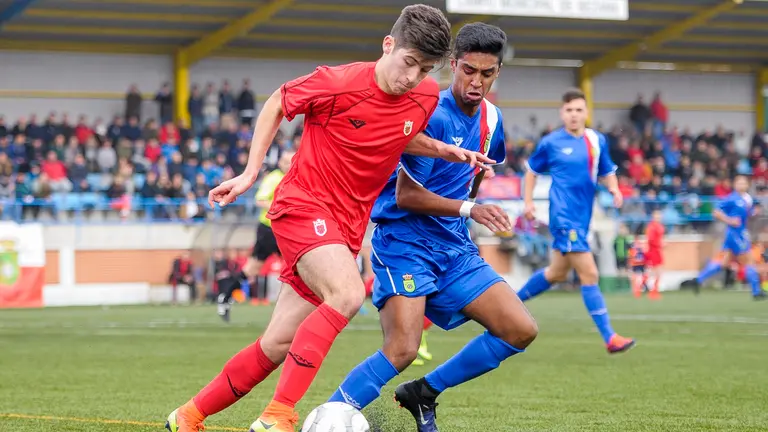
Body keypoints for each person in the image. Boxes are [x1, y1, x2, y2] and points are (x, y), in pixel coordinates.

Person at [166, 5, 494, 432]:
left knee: (278, 342)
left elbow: (399, 133)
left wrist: (445, 150)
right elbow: (277, 103)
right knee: (347, 293)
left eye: (425, 68)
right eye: (409, 62)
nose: (413, 77)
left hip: (347, 225)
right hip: (303, 206)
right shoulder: (338, 82)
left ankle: (188, 415)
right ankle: (278, 416)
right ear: (388, 45)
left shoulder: (426, 95)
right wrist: (250, 172)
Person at [327, 23, 537, 432]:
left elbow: (478, 172)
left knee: (520, 329)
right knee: (402, 348)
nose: (476, 82)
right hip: (405, 242)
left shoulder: (493, 119)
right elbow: (406, 196)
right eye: (469, 71)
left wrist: (469, 207)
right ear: (453, 65)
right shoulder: (431, 115)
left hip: (454, 247)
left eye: (487, 73)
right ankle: (332, 414)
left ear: (498, 73)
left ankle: (423, 392)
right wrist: (469, 208)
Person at [515, 88, 636, 354]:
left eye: (579, 110)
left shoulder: (596, 140)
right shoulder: (551, 142)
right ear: (562, 113)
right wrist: (528, 203)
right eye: (569, 110)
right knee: (590, 274)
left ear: (586, 113)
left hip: (583, 217)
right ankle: (610, 338)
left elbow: (607, 170)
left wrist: (614, 189)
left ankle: (507, 304)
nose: (573, 115)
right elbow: (531, 171)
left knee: (556, 273)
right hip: (563, 217)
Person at [680, 175, 766, 300]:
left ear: (747, 185)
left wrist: (754, 212)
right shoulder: (732, 198)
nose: (741, 185)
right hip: (736, 234)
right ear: (735, 185)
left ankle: (697, 280)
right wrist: (729, 220)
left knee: (723, 262)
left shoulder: (747, 199)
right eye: (739, 183)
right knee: (749, 260)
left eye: (744, 183)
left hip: (739, 233)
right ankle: (756, 291)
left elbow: (747, 215)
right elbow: (716, 211)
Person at [240, 150, 296, 305]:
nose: (289, 165)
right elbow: (260, 200)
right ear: (280, 163)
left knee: (296, 264)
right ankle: (229, 292)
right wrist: (283, 209)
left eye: (291, 161)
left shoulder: (295, 177)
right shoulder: (273, 179)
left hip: (285, 228)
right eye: (285, 162)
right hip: (269, 229)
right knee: (254, 267)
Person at [643, 210, 665, 300]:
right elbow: (651, 240)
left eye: (659, 216)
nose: (658, 218)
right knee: (655, 271)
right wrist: (660, 244)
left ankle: (654, 290)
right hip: (653, 251)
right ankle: (650, 289)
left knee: (657, 271)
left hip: (657, 251)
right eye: (657, 216)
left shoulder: (659, 226)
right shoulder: (651, 227)